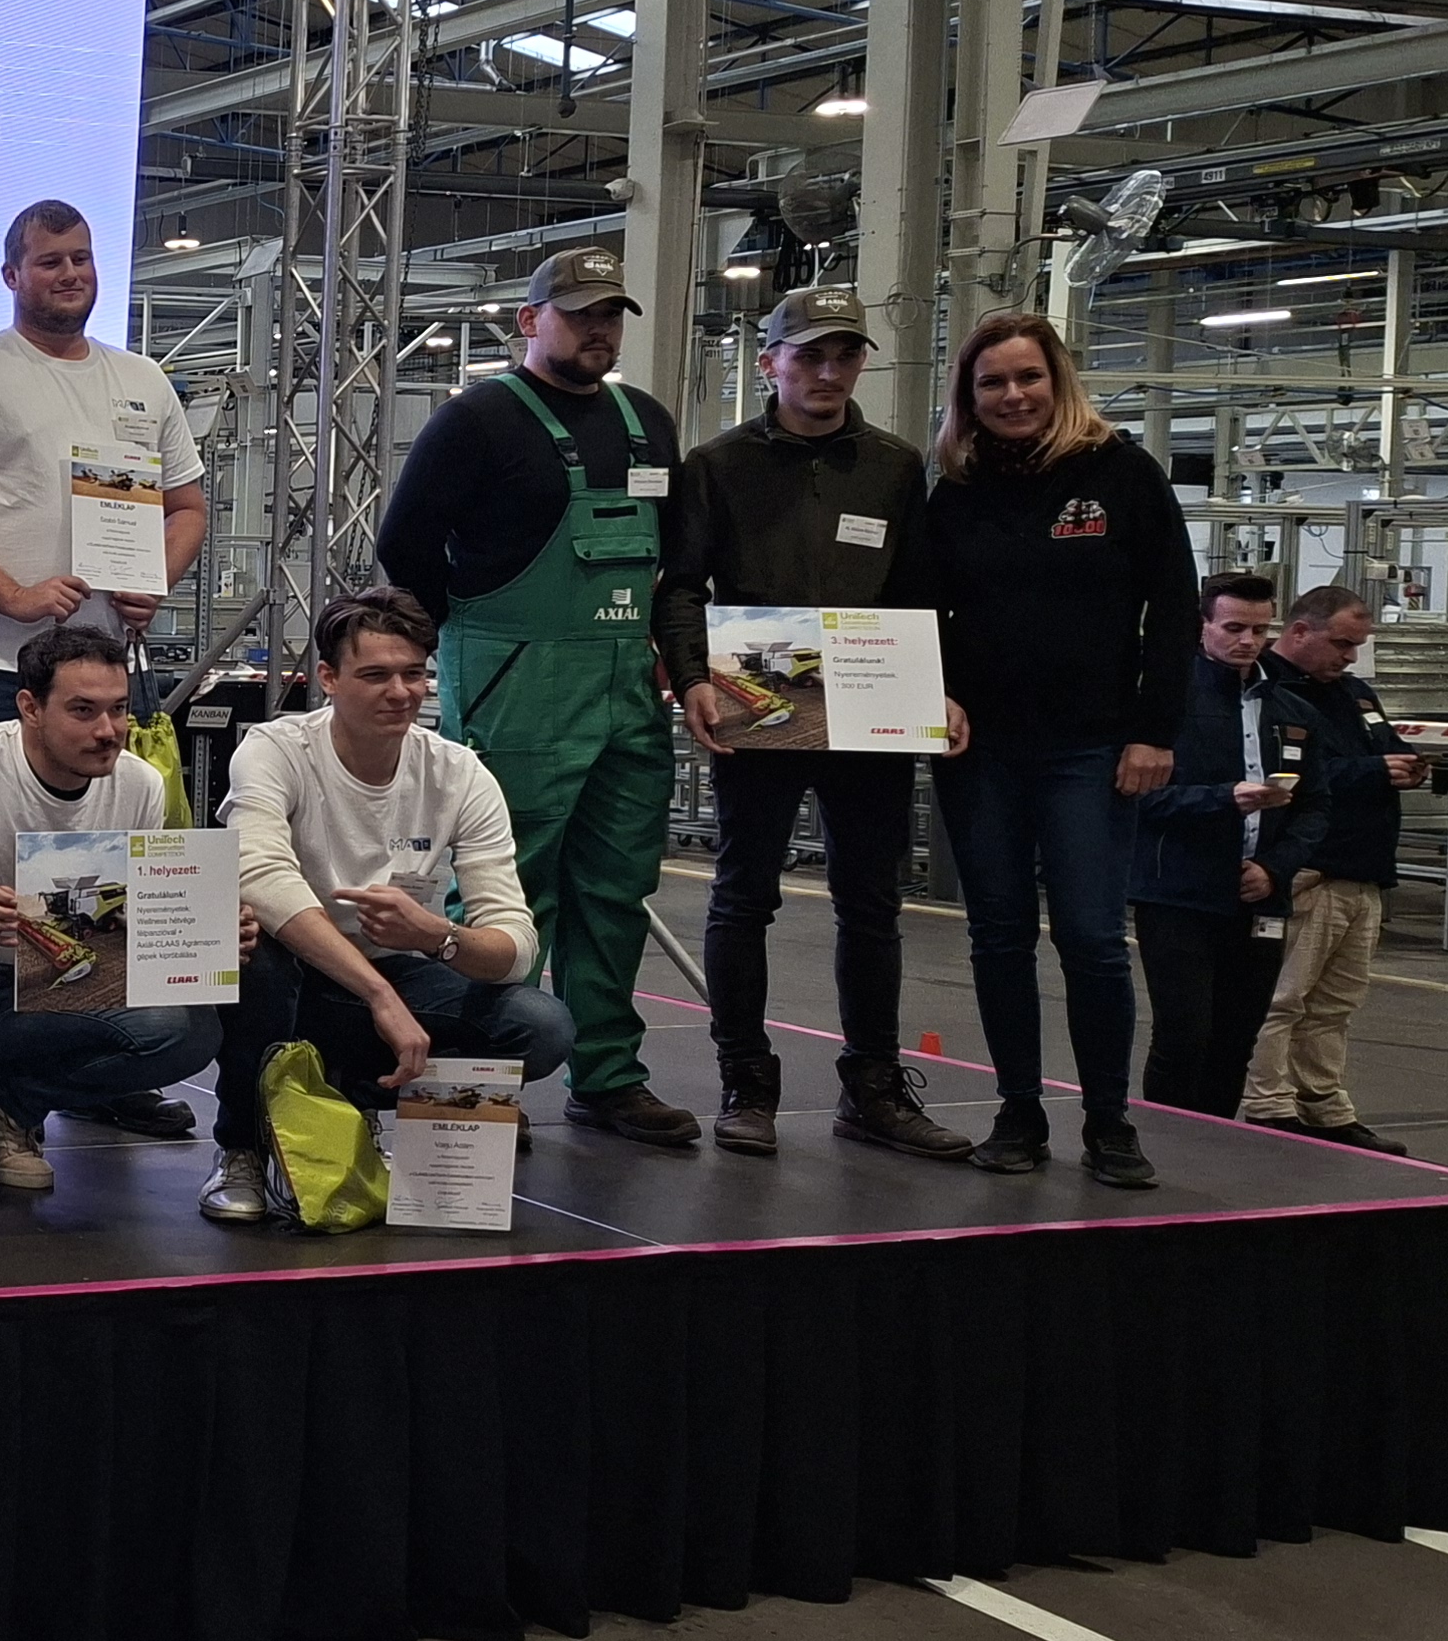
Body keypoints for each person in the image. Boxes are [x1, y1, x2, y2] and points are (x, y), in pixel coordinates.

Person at [376, 243, 696, 1149]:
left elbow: (675, 553)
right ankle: (477, 1089)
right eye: (579, 312)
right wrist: (472, 632)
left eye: (610, 314)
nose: (599, 328)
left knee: (615, 891)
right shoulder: (476, 421)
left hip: (624, 692)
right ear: (529, 320)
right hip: (516, 683)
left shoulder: (647, 422)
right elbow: (404, 546)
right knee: (502, 891)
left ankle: (610, 1076)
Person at [655, 283, 968, 1160]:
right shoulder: (717, 465)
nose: (829, 372)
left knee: (871, 904)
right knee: (742, 895)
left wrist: (936, 687)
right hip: (759, 695)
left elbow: (919, 593)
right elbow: (680, 586)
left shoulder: (896, 466)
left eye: (846, 355)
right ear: (771, 363)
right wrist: (693, 678)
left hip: (870, 701)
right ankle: (746, 1083)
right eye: (810, 356)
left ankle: (873, 1088)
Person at [922, 310, 1195, 1187]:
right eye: (992, 383)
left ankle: (1110, 1121)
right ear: (969, 396)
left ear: (1058, 380)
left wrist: (1155, 730)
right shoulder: (955, 491)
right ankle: (1019, 1111)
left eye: (1027, 377)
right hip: (981, 752)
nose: (1013, 395)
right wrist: (935, 694)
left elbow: (1175, 609)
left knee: (1091, 938)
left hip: (1092, 748)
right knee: (999, 937)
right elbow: (921, 612)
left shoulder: (1122, 474)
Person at [199, 588, 571, 1226]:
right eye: (375, 675)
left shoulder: (459, 773)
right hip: (292, 974)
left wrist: (438, 936)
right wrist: (379, 995)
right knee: (251, 952)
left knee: (541, 1026)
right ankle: (242, 1145)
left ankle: (353, 1104)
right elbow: (259, 875)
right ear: (328, 678)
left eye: (414, 674)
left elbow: (515, 944)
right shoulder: (275, 749)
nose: (400, 692)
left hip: (389, 970)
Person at [0, 621, 229, 1228]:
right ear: (30, 708)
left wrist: (207, 931)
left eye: (119, 709)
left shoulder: (140, 784)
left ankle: (3, 1103)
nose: (108, 730)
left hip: (46, 985)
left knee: (190, 1027)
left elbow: (131, 922)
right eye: (83, 711)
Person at [0, 200, 206, 728]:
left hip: (108, 667)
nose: (70, 274)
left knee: (114, 789)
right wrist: (14, 597)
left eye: (81, 259)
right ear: (11, 276)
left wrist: (156, 581)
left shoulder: (144, 379)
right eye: (50, 262)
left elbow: (186, 508)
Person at [1130, 572, 1327, 1124]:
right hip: (1178, 893)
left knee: (1236, 1037)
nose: (1248, 641)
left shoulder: (1294, 712)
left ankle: (1217, 1142)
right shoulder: (1165, 705)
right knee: (1183, 1034)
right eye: (1234, 628)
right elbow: (1136, 797)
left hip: (1259, 898)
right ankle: (1166, 1140)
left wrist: (1274, 869)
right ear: (1202, 626)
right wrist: (1223, 799)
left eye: (1260, 630)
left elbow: (1316, 807)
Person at [1245, 582, 1424, 1149]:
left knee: (1335, 1004)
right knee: (1283, 997)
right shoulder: (1268, 691)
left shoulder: (1356, 693)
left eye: (1357, 647)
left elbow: (1383, 746)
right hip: (1311, 869)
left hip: (1364, 870)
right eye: (1342, 644)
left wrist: (1406, 764)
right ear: (1301, 631)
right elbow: (1289, 778)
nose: (1349, 657)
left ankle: (1322, 1103)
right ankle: (1268, 1101)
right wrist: (1374, 772)